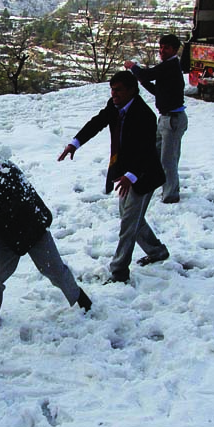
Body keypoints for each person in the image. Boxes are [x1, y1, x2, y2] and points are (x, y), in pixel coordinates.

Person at [0, 142, 92, 331]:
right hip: (6, 235)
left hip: (32, 229)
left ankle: (81, 301)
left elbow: (7, 201)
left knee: (55, 271)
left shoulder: (5, 171)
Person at [58, 71, 168, 284]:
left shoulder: (145, 115)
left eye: (118, 90)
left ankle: (119, 271)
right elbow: (97, 122)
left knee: (128, 223)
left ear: (132, 90)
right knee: (131, 219)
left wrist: (130, 175)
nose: (113, 94)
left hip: (144, 175)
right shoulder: (114, 106)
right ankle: (157, 251)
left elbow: (147, 150)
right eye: (112, 89)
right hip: (126, 174)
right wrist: (75, 143)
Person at [124, 33, 188, 204]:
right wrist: (142, 80)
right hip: (166, 119)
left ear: (174, 50)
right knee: (157, 155)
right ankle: (159, 185)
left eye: (166, 47)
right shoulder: (167, 67)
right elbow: (157, 91)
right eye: (161, 47)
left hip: (173, 120)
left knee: (168, 160)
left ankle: (171, 195)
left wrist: (133, 67)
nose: (162, 50)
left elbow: (147, 74)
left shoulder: (170, 66)